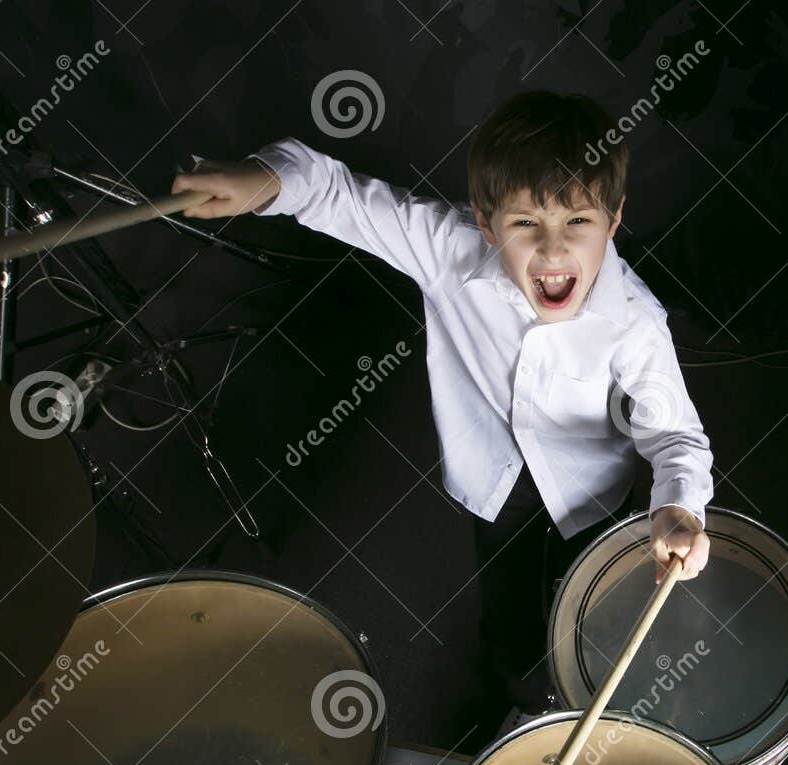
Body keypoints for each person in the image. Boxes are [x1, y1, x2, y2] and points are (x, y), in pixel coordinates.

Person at [172, 90, 714, 717]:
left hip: (595, 488)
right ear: (486, 224)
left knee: (590, 598)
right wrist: (266, 181)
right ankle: (510, 688)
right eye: (524, 224)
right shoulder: (448, 245)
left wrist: (679, 505)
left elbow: (675, 437)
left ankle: (579, 687)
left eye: (578, 222)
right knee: (507, 598)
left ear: (613, 221)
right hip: (494, 482)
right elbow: (334, 191)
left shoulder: (635, 322)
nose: (554, 249)